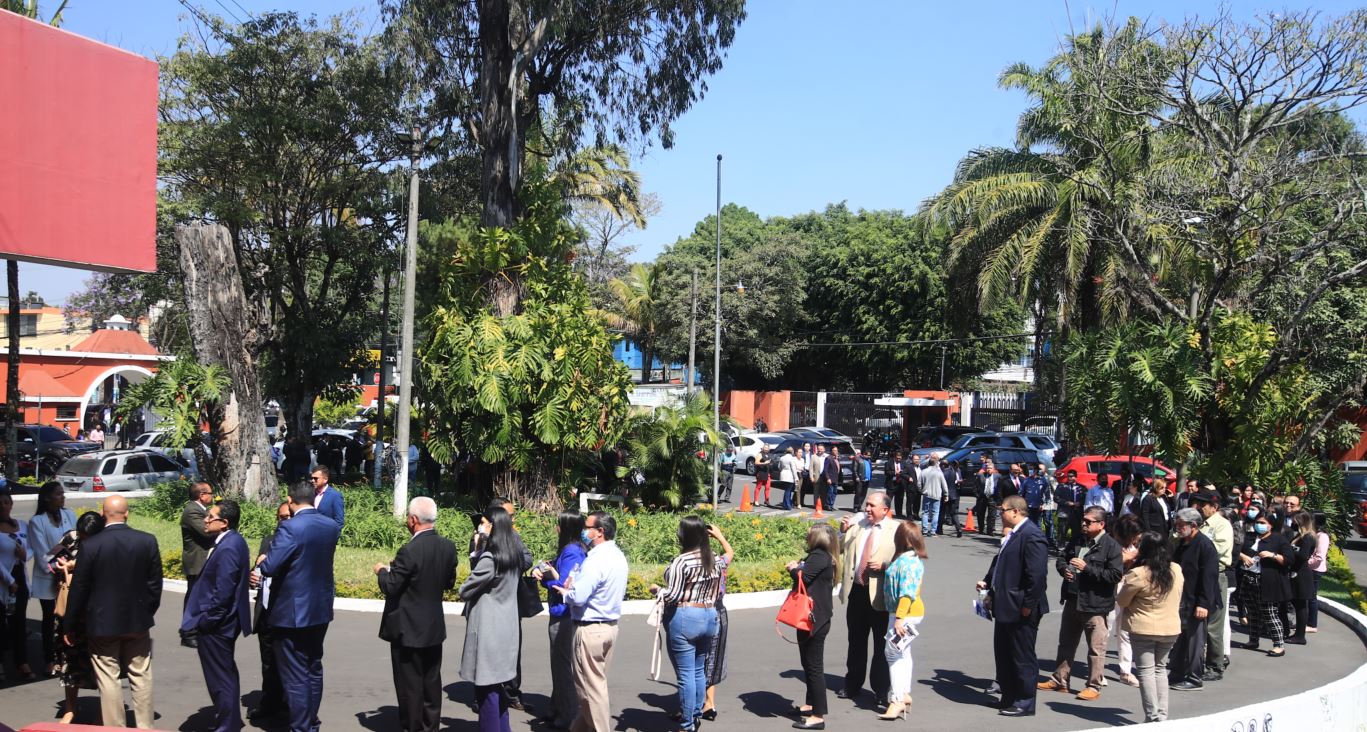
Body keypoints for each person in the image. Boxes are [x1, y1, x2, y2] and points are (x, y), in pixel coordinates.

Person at [63, 494, 162, 728]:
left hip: (101, 624)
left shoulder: (91, 545)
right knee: (141, 675)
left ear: (102, 515)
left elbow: (79, 588)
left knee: (108, 679)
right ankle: (145, 726)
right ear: (127, 514)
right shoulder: (147, 540)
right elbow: (154, 584)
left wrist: (70, 624)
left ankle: (115, 727)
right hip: (137, 623)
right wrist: (146, 611)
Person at [257, 480, 342, 732]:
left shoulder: (290, 528)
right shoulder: (330, 526)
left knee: (294, 674)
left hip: (292, 612)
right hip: (320, 607)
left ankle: (301, 727)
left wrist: (262, 561)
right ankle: (311, 721)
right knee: (313, 667)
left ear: (291, 501)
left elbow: (271, 566)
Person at [376, 497, 458, 732]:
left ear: (413, 520)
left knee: (409, 685)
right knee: (431, 681)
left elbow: (391, 585)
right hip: (433, 625)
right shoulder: (447, 546)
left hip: (408, 629)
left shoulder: (409, 550)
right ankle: (430, 726)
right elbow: (449, 582)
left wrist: (382, 571)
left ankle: (412, 727)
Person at [1038, 506, 1123, 701]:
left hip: (1095, 605)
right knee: (1066, 643)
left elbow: (1115, 575)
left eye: (1088, 522)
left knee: (1096, 648)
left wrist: (1087, 568)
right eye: (1083, 521)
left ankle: (1093, 686)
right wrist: (1064, 570)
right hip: (1073, 599)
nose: (1084, 524)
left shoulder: (1111, 546)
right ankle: (1060, 679)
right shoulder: (1077, 540)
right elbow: (1062, 558)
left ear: (1101, 524)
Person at [182, 500, 252, 732]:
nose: (205, 520)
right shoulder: (230, 542)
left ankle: (227, 725)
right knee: (224, 674)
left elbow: (223, 591)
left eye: (210, 517)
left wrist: (207, 620)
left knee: (220, 678)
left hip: (218, 626)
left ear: (224, 523)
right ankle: (228, 721)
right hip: (222, 623)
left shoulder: (230, 546)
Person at [976, 495, 1049, 717]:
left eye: (1003, 510)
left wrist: (1027, 605)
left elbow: (1036, 577)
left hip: (1021, 608)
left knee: (1022, 656)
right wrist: (989, 583)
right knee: (1004, 654)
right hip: (1004, 605)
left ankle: (1025, 701)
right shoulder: (1013, 535)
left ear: (1016, 511)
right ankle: (1008, 697)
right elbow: (1002, 564)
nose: (1000, 513)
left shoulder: (1032, 536)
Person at [651, 516, 725, 731]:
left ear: (684, 535)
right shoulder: (713, 558)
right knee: (698, 670)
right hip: (710, 615)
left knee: (685, 673)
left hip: (685, 616)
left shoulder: (681, 561)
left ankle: (687, 723)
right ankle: (695, 713)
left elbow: (673, 595)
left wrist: (658, 590)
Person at [558, 511, 628, 732]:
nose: (583, 531)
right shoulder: (618, 556)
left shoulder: (595, 559)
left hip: (590, 630)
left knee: (591, 691)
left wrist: (565, 592)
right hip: (609, 627)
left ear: (600, 532)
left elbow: (578, 597)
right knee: (593, 687)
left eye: (587, 527)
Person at [459, 505, 522, 732]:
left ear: (492, 526)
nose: (480, 526)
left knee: (486, 690)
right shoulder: (512, 554)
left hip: (488, 630)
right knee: (499, 687)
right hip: (507, 627)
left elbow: (466, 589)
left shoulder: (489, 558)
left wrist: (477, 548)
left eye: (484, 522)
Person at [836, 492, 898, 710]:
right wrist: (842, 532)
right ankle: (852, 684)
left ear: (885, 509)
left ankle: (881, 691)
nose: (867, 509)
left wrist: (884, 566)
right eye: (866, 505)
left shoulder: (896, 530)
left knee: (882, 646)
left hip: (881, 594)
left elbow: (908, 560)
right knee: (856, 641)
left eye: (872, 506)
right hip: (857, 591)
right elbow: (840, 548)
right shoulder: (858, 525)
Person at [1116, 532, 1184, 723]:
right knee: (1160, 670)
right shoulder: (1176, 569)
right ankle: (1161, 715)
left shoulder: (1137, 574)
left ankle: (1152, 716)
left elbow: (1122, 600)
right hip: (1170, 627)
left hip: (1143, 628)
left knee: (1146, 671)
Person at [533, 510, 588, 729]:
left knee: (562, 665)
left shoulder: (572, 552)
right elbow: (554, 567)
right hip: (563, 613)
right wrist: (543, 568)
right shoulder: (573, 549)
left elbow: (563, 584)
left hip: (563, 614)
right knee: (559, 663)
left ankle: (568, 715)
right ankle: (556, 706)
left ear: (564, 528)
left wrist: (545, 579)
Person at [51, 511, 105, 724]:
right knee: (70, 661)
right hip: (70, 610)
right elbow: (50, 562)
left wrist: (78, 566)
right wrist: (63, 567)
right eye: (82, 536)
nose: (84, 541)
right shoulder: (69, 538)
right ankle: (70, 708)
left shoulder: (105, 544)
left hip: (96, 612)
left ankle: (104, 711)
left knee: (101, 663)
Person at [787, 523, 838, 731]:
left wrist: (793, 569)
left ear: (817, 538)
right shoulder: (823, 556)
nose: (806, 536)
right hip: (814, 617)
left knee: (814, 667)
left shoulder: (819, 556)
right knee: (808, 664)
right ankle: (810, 704)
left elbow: (804, 577)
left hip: (813, 619)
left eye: (809, 534)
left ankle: (818, 715)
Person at [248, 501, 292, 726]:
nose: (283, 521)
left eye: (288, 516)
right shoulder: (268, 541)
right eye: (280, 517)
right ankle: (269, 703)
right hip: (265, 611)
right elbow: (257, 570)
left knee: (286, 663)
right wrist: (252, 576)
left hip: (285, 612)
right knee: (268, 662)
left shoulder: (297, 542)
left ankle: (286, 706)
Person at [880, 521, 927, 721]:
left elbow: (906, 593)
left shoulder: (908, 562)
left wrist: (899, 618)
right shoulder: (909, 559)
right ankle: (904, 693)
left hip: (903, 614)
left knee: (893, 655)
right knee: (902, 653)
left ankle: (897, 699)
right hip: (906, 613)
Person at [1169, 508, 1219, 690]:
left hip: (1198, 602)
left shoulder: (1205, 546)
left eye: (1181, 525)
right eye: (1177, 524)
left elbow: (1209, 577)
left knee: (1195, 640)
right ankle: (1176, 672)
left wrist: (1203, 603)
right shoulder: (1182, 544)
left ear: (1194, 526)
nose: (1178, 528)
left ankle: (1194, 677)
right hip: (1183, 598)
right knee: (1180, 638)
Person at [28, 481, 75, 677]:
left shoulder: (69, 515)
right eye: (58, 494)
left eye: (63, 494)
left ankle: (67, 656)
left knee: (68, 618)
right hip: (48, 577)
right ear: (47, 498)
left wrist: (70, 565)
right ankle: (49, 658)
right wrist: (57, 568)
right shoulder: (37, 521)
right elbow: (41, 555)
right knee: (49, 619)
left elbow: (75, 542)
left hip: (67, 576)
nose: (62, 497)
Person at [1236, 509, 1294, 658]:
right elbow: (1236, 550)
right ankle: (1253, 640)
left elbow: (1289, 559)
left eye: (1263, 523)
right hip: (1249, 578)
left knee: (1269, 613)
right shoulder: (1250, 537)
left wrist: (1272, 555)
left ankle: (1278, 645)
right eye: (1257, 523)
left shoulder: (1278, 539)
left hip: (1268, 582)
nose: (1259, 526)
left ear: (1271, 525)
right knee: (1253, 612)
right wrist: (1243, 557)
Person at [1190, 489, 1233, 681]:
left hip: (1215, 576)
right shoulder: (1199, 524)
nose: (1199, 508)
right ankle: (1195, 662)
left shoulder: (1222, 525)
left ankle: (1215, 665)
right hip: (1197, 575)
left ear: (1214, 507)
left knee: (1213, 624)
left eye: (1203, 505)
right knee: (1195, 622)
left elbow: (1215, 551)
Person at [700, 525, 735, 723]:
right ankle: (709, 703)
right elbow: (730, 552)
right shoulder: (719, 562)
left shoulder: (691, 563)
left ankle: (694, 705)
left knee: (695, 660)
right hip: (718, 612)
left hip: (699, 611)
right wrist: (720, 535)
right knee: (711, 660)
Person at [1108, 514, 1143, 687]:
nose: (1137, 537)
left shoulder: (1134, 545)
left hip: (1128, 587)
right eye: (1134, 534)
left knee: (1125, 630)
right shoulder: (1110, 543)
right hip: (1110, 588)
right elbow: (1112, 562)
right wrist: (1129, 557)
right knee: (1105, 628)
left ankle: (1125, 671)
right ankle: (1097, 672)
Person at [180, 481, 216, 649]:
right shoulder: (192, 511)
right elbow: (206, 530)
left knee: (202, 598)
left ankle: (197, 628)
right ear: (201, 495)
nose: (213, 496)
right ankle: (188, 632)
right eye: (210, 493)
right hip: (197, 562)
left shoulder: (202, 510)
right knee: (194, 599)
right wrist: (223, 523)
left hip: (204, 561)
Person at [0, 490, 29, 683]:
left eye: (6, 502)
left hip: (21, 578)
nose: (3, 506)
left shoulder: (22, 525)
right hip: (4, 580)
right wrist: (9, 581)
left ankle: (22, 662)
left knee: (19, 622)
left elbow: (32, 548)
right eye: (0, 503)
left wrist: (25, 555)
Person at [1287, 511, 1318, 645]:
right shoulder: (1301, 536)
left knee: (1301, 606)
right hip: (1297, 573)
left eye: (1296, 521)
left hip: (1302, 574)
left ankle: (1300, 636)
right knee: (1297, 603)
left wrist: (1291, 550)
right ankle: (1298, 634)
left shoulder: (1308, 537)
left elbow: (1303, 555)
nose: (1293, 523)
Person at [1304, 513, 1330, 634]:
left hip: (1315, 570)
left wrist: (1306, 564)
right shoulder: (1313, 534)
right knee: (1308, 596)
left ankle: (1312, 624)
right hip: (1310, 568)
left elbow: (1319, 557)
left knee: (1312, 597)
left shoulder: (1322, 536)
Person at [919, 455, 948, 536]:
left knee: (925, 512)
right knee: (935, 513)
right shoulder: (939, 473)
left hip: (926, 494)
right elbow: (944, 485)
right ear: (936, 464)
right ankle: (933, 531)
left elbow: (918, 484)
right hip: (937, 494)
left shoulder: (923, 471)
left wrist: (922, 491)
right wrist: (946, 494)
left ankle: (924, 530)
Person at [1055, 470, 1083, 545]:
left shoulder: (1081, 488)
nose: (1069, 478)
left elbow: (1085, 499)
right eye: (1068, 476)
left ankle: (1073, 549)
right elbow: (1056, 498)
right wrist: (1066, 503)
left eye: (1071, 476)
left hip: (1076, 513)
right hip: (1064, 513)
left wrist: (1080, 503)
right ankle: (1061, 548)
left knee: (1076, 533)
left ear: (1075, 477)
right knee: (1062, 532)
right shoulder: (1061, 486)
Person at [975, 461, 1002, 535]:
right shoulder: (981, 476)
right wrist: (977, 495)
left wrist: (999, 499)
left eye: (990, 468)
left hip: (992, 498)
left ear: (993, 469)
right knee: (980, 514)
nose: (989, 469)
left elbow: (1000, 488)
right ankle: (981, 529)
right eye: (988, 468)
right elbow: (976, 486)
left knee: (992, 515)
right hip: (982, 497)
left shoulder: (998, 476)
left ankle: (990, 530)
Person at [940, 459, 965, 538]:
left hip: (945, 495)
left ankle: (939, 529)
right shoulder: (953, 472)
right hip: (953, 494)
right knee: (953, 513)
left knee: (942, 512)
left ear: (943, 466)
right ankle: (959, 529)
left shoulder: (943, 473)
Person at [778, 447, 802, 511]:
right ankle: (788, 505)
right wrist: (796, 478)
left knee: (786, 490)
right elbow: (793, 469)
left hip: (783, 474)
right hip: (789, 475)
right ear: (792, 452)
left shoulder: (782, 458)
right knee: (788, 490)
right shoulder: (792, 459)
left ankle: (784, 504)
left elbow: (779, 467)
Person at [822, 445, 841, 512]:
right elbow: (825, 469)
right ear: (831, 451)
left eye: (836, 450)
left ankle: (831, 505)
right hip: (830, 478)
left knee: (834, 493)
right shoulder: (828, 458)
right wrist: (828, 478)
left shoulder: (836, 458)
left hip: (836, 478)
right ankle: (828, 505)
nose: (836, 452)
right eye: (834, 450)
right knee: (830, 492)